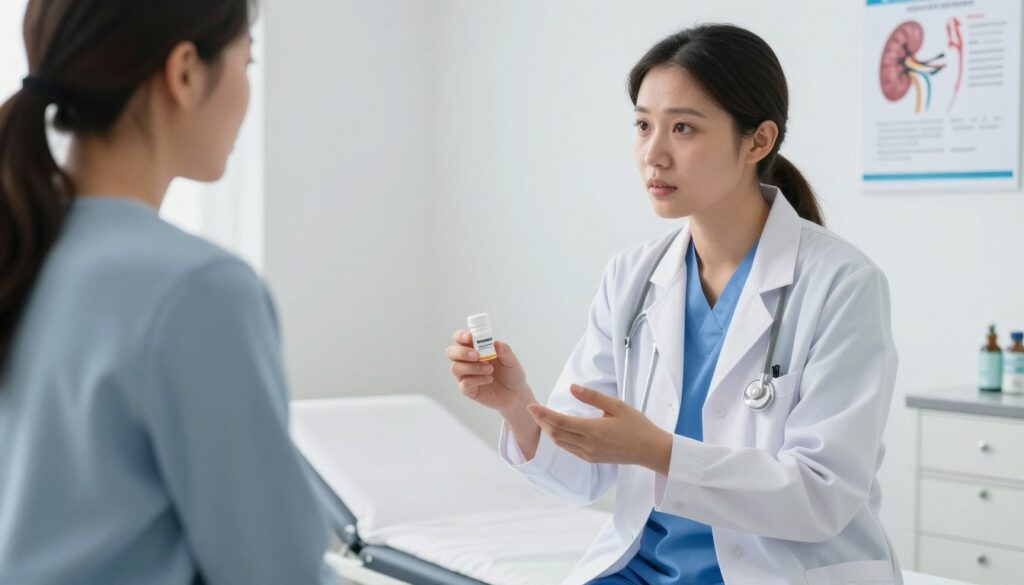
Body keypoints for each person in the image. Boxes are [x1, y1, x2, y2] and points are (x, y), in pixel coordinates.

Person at [446, 24, 900, 585]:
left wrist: (662, 452)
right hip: (640, 572)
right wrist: (517, 406)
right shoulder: (633, 277)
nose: (653, 155)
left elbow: (821, 496)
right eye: (643, 126)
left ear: (758, 141)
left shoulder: (842, 284)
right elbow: (577, 477)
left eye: (683, 127)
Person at [0, 1, 333, 583]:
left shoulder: (20, 251)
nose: (247, 95)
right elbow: (276, 571)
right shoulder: (198, 291)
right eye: (245, 64)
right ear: (184, 72)